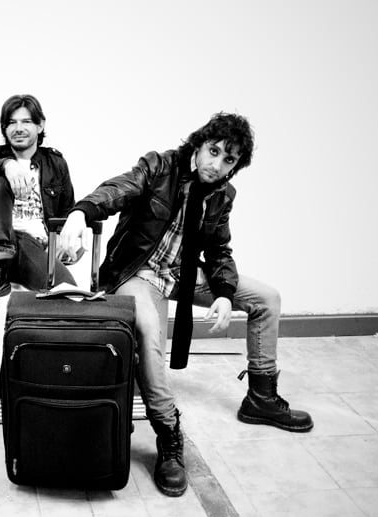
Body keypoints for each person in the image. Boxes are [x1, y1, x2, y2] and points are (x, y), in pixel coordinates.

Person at [59, 113, 313, 497]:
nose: (217, 164)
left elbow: (219, 250)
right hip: (139, 272)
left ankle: (261, 398)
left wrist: (224, 292)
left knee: (267, 299)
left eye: (229, 160)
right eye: (214, 151)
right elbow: (117, 190)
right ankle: (168, 432)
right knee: (149, 332)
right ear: (199, 144)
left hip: (182, 272)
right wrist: (81, 212)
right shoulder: (159, 167)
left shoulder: (222, 195)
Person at [0, 94, 76, 312]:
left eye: (26, 121)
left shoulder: (55, 163)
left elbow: (66, 211)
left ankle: (1, 275)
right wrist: (6, 165)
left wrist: (63, 242)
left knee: (68, 291)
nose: (18, 128)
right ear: (4, 128)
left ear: (40, 125)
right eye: (12, 123)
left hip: (32, 246)